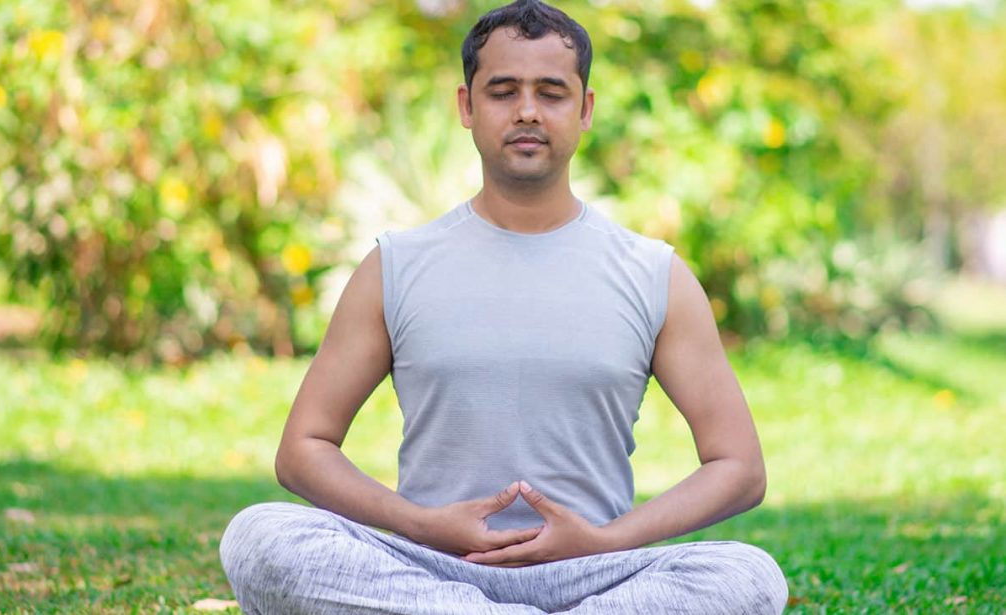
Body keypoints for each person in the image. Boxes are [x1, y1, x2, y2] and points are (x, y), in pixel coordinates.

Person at [219, 1, 788, 613]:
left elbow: (739, 467)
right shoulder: (395, 266)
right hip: (433, 568)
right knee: (261, 536)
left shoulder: (653, 274)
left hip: (593, 575)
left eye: (551, 92)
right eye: (503, 91)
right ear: (467, 106)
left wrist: (605, 541)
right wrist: (421, 524)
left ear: (585, 109)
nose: (527, 111)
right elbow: (303, 448)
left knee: (747, 574)